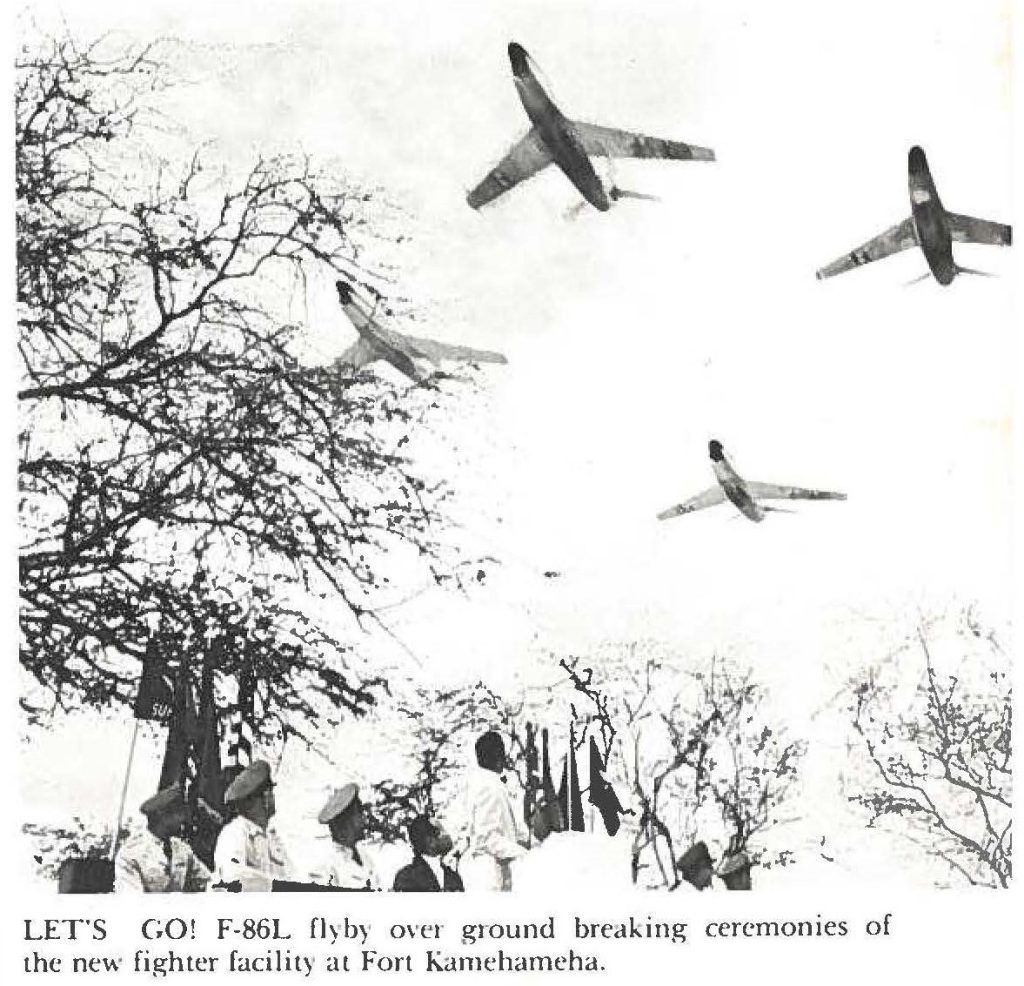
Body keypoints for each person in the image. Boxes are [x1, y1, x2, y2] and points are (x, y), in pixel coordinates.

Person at [460, 730, 528, 891]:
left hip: (493, 868)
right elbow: (487, 838)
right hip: (487, 873)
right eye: (501, 752)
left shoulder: (484, 782)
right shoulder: (489, 787)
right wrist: (525, 854)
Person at [210, 760, 292, 891]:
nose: (273, 797)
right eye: (270, 791)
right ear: (265, 796)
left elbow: (291, 877)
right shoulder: (235, 833)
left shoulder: (273, 838)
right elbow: (233, 878)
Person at [114, 784, 211, 892]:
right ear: (162, 816)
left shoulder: (182, 849)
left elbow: (207, 881)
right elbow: (134, 903)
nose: (183, 819)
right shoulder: (131, 854)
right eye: (179, 814)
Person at [307, 783, 380, 890]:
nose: (363, 821)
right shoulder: (327, 866)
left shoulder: (365, 857)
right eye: (358, 815)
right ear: (346, 823)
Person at [393, 816, 464, 892]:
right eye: (442, 830)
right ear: (430, 841)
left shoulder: (453, 876)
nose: (447, 835)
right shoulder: (407, 877)